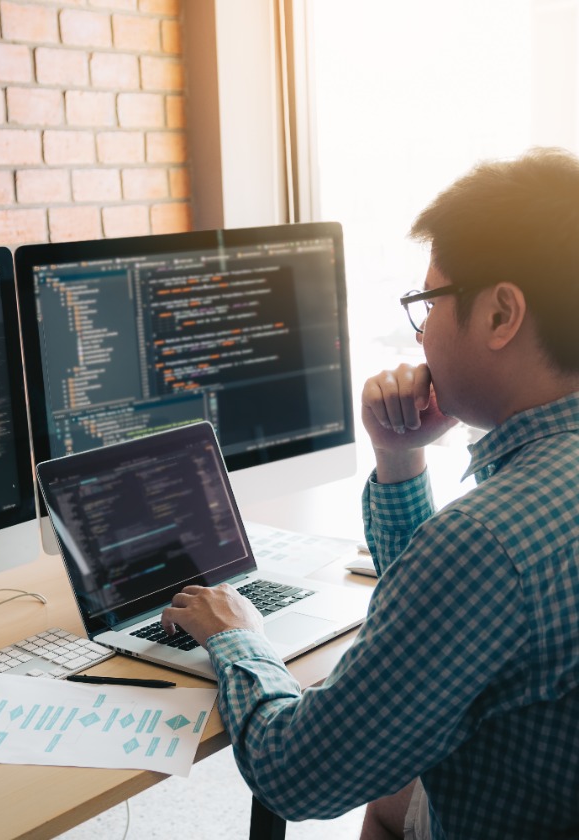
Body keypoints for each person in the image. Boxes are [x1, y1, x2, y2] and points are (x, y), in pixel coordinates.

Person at [161, 148, 579, 840]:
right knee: (391, 793)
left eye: (427, 304)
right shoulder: (522, 515)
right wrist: (399, 457)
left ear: (502, 314)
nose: (422, 334)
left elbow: (297, 775)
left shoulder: (486, 543)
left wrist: (238, 638)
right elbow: (431, 624)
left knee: (371, 783)